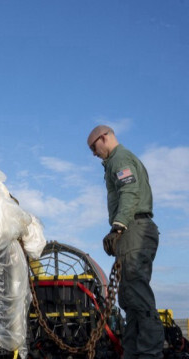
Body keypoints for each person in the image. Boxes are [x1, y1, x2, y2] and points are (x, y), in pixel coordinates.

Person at [87, 125, 164, 359]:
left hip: (135, 229)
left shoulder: (120, 158)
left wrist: (118, 225)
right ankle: (131, 353)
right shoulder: (116, 162)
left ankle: (150, 354)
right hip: (133, 230)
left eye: (94, 147)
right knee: (129, 299)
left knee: (138, 296)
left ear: (104, 137)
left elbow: (129, 190)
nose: (93, 153)